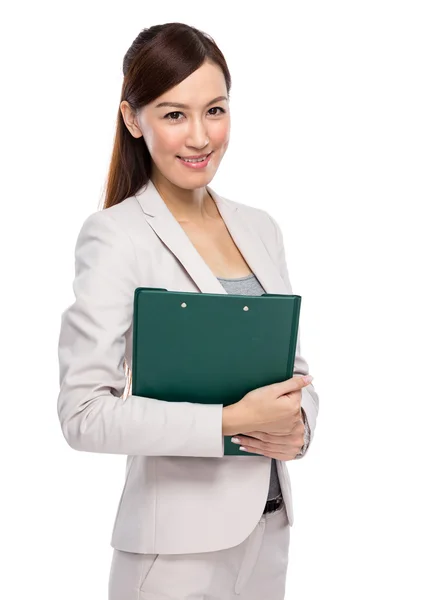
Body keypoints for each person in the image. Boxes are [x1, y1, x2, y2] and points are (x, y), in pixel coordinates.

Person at [56, 22, 320, 600]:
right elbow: (83, 414)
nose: (200, 137)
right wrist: (230, 423)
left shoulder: (260, 228)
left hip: (268, 532)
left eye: (215, 110)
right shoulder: (115, 236)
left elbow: (293, 373)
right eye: (174, 114)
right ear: (133, 119)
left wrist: (299, 428)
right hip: (173, 554)